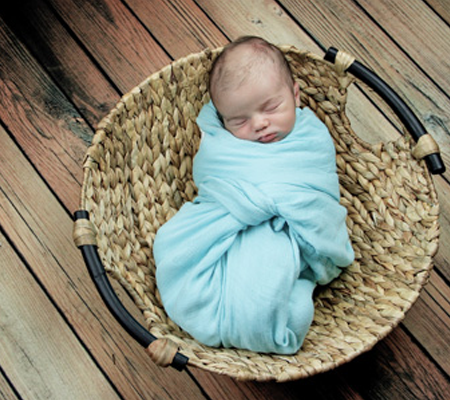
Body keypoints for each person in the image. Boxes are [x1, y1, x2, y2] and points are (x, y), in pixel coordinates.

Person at [153, 36, 354, 354]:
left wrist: (277, 205)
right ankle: (240, 310)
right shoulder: (220, 140)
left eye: (272, 108)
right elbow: (210, 176)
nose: (260, 124)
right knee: (172, 241)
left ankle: (254, 313)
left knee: (272, 264)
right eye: (239, 120)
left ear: (296, 95)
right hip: (228, 220)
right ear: (223, 120)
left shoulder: (311, 137)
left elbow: (319, 192)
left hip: (292, 231)